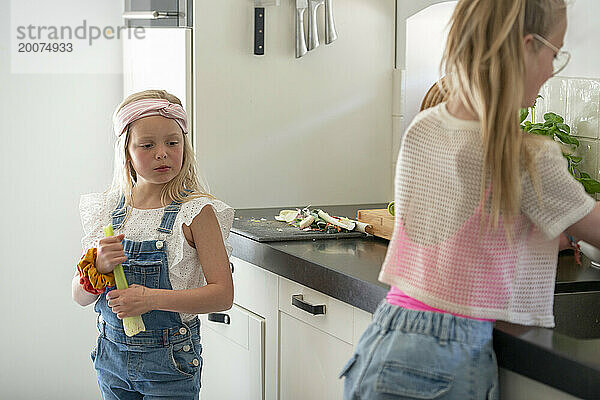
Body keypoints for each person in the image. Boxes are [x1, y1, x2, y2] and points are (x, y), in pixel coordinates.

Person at [340, 0, 600, 399]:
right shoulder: (525, 156)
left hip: (384, 337)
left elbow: (460, 231)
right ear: (528, 47)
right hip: (447, 359)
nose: (552, 69)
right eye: (555, 53)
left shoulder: (425, 126)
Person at [72, 89, 234, 400]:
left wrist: (150, 299)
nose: (162, 152)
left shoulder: (196, 212)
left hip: (169, 367)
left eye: (172, 142)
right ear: (127, 153)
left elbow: (222, 295)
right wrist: (99, 268)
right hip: (111, 362)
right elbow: (79, 297)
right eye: (147, 145)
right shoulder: (107, 210)